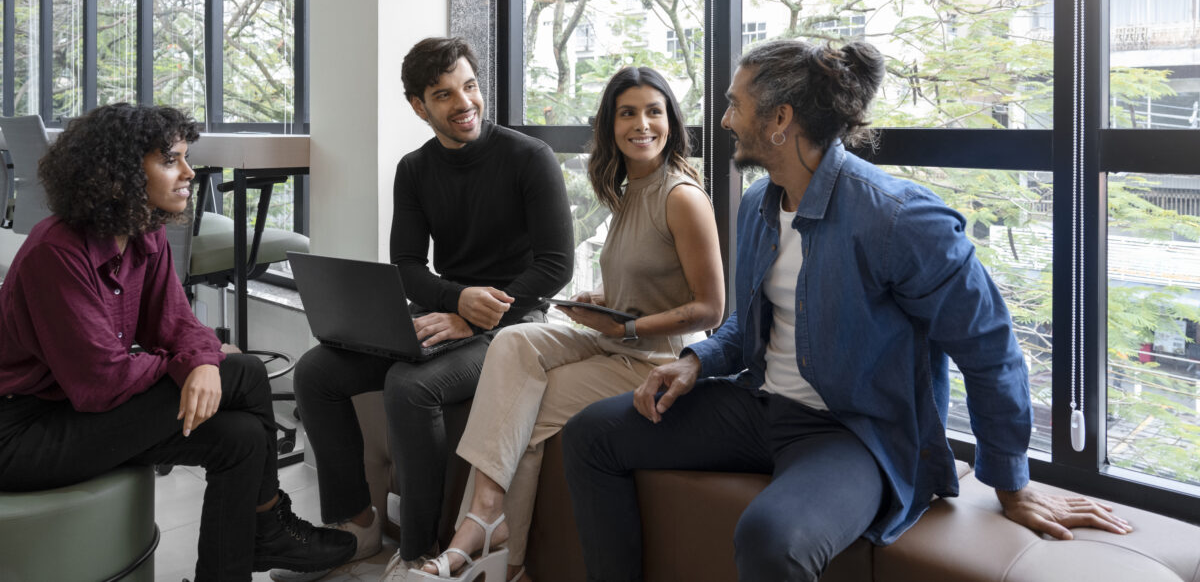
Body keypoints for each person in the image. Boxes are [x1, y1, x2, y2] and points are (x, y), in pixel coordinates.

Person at [562, 40, 1132, 582]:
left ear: (780, 120)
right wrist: (695, 360)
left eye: (735, 105)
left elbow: (991, 349)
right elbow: (751, 322)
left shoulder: (898, 218)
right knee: (592, 434)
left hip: (853, 434)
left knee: (771, 537)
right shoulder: (760, 203)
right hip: (761, 407)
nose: (726, 120)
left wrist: (1012, 483)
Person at [0, 103, 356, 582]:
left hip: (75, 412)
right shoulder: (55, 253)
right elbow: (100, 383)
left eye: (186, 158)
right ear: (118, 173)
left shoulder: (143, 236)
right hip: (22, 434)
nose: (190, 172)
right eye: (170, 160)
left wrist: (201, 359)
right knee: (245, 371)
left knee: (243, 438)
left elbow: (178, 325)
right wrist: (189, 362)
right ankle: (268, 526)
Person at [412, 66, 723, 582]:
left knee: (521, 409)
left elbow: (710, 309)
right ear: (610, 124)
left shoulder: (681, 196)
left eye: (654, 111)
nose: (641, 124)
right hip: (616, 338)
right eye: (628, 113)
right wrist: (603, 302)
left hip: (660, 361)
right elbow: (654, 284)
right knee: (513, 342)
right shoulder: (629, 192)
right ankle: (489, 530)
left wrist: (622, 327)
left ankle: (495, 550)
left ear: (671, 121)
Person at [280, 37, 574, 582]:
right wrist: (455, 301)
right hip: (447, 312)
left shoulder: (529, 158)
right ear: (419, 106)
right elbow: (408, 264)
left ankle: (419, 550)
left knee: (411, 387)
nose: (464, 103)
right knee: (317, 371)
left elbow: (556, 268)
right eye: (444, 94)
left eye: (469, 86)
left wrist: (477, 312)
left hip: (516, 324)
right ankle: (356, 524)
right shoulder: (414, 170)